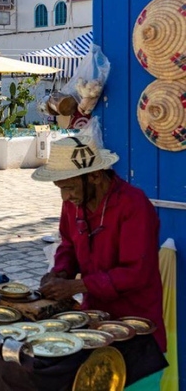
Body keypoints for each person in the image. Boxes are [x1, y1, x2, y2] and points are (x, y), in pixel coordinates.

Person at [35, 136, 166, 353]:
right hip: (93, 316)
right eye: (60, 187)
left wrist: (76, 286)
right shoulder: (72, 203)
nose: (65, 196)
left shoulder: (133, 204)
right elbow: (68, 244)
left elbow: (135, 273)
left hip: (135, 320)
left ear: (95, 176)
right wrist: (60, 273)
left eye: (69, 187)